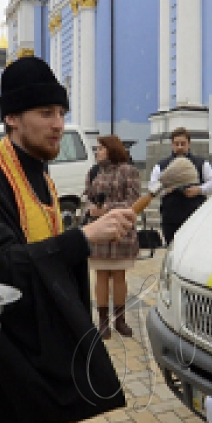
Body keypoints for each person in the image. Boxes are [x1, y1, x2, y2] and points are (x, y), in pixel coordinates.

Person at [0, 56, 136, 423]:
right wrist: (82, 240)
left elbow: (42, 257)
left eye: (61, 112)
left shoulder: (39, 172)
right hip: (2, 376)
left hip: (40, 360)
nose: (59, 124)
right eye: (45, 112)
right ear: (12, 118)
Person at [84, 134, 141, 340]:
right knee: (100, 276)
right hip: (98, 231)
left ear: (111, 149)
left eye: (100, 148)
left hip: (121, 232)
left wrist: (107, 209)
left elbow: (133, 203)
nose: (97, 151)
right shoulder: (94, 172)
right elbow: (85, 198)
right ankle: (102, 322)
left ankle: (120, 320)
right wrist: (91, 209)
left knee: (118, 276)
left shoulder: (128, 170)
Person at [149, 126, 212, 244]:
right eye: (176, 144)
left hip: (195, 215)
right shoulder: (161, 165)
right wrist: (166, 190)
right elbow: (152, 187)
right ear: (172, 144)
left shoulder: (201, 163)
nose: (180, 147)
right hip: (170, 217)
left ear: (189, 144)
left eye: (183, 143)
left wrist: (199, 190)